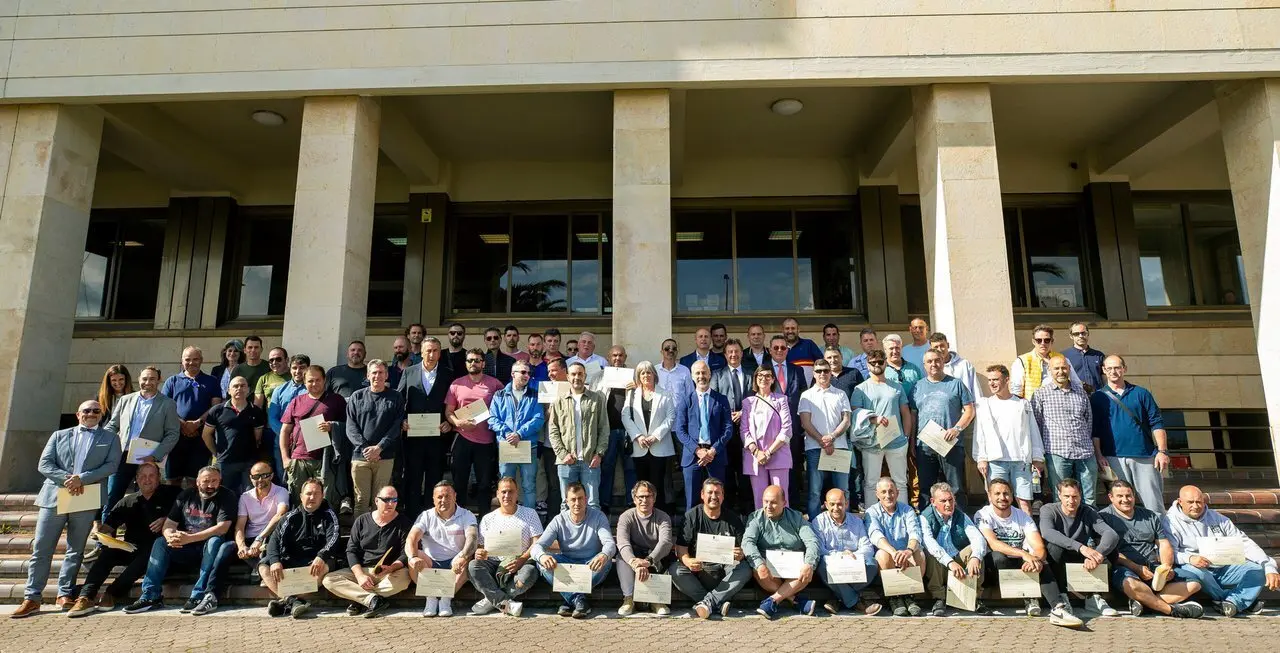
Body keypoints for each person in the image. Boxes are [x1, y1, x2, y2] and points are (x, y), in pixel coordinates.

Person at [10, 401, 121, 619]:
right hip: (55, 496)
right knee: (41, 548)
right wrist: (68, 480)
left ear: (101, 415)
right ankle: (32, 597)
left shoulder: (110, 438)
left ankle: (64, 593)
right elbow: (45, 464)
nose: (91, 414)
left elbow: (111, 466)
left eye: (96, 411)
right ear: (78, 414)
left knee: (75, 549)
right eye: (86, 411)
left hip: (85, 496)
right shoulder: (60, 435)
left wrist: (82, 479)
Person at [69, 462, 180, 617]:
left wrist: (167, 520)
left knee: (147, 553)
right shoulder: (128, 501)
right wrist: (99, 533)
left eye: (151, 476)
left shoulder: (172, 495)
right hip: (132, 548)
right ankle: (85, 597)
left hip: (161, 552)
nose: (147, 480)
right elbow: (108, 527)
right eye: (143, 476)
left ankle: (111, 594)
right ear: (136, 479)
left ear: (159, 478)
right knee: (108, 553)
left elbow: (187, 517)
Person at [124, 466, 237, 616]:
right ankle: (151, 596)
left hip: (209, 550)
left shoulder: (227, 496)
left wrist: (190, 538)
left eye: (214, 481)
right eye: (206, 481)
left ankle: (198, 596)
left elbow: (222, 528)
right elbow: (169, 524)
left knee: (215, 541)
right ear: (197, 482)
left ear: (220, 481)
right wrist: (170, 535)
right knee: (160, 542)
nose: (210, 485)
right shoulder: (186, 495)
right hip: (185, 548)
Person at [975, 478, 1082, 627]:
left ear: (1012, 496)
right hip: (994, 569)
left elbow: (1038, 545)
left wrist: (1036, 559)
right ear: (989, 496)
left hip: (1021, 563)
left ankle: (1058, 608)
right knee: (999, 557)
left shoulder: (1023, 516)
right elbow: (994, 544)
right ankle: (1029, 597)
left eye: (1006, 493)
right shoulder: (983, 515)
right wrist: (1024, 554)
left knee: (1041, 561)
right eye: (997, 493)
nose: (1002, 497)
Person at [1165, 484, 1280, 616]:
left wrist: (1268, 566)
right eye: (1190, 502)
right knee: (1198, 573)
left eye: (1199, 502)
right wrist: (1190, 558)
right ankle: (1235, 601)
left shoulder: (1217, 518)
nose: (1196, 506)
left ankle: (1232, 602)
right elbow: (1169, 552)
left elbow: (1245, 543)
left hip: (1224, 567)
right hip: (1195, 568)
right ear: (1180, 502)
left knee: (1257, 570)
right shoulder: (1170, 521)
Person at [1098, 480, 1204, 618]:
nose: (1125, 500)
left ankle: (1146, 604)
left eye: (1129, 495)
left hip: (1154, 567)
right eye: (1120, 496)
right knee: (1130, 584)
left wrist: (1166, 567)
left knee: (1195, 583)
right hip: (1125, 568)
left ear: (1134, 496)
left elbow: (1164, 544)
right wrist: (1137, 568)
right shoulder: (1103, 517)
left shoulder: (1149, 516)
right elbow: (1110, 552)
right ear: (1111, 497)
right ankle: (1171, 610)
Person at [101, 366, 180, 527]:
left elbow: (172, 433)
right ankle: (104, 542)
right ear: (139, 379)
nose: (147, 382)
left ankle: (140, 538)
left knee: (146, 498)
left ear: (159, 380)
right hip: (122, 455)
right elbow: (112, 426)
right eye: (144, 379)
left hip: (147, 458)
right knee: (112, 496)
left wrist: (155, 455)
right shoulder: (125, 400)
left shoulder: (167, 404)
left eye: (152, 379)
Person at [1091, 355, 1170, 511]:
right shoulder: (1098, 397)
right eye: (1109, 368)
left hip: (1145, 456)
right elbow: (1095, 430)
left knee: (1154, 503)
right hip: (1113, 458)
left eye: (1117, 367)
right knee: (1120, 504)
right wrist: (1099, 455)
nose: (1113, 371)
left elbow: (1156, 422)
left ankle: (1161, 534)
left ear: (1124, 369)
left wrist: (1162, 451)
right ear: (1104, 370)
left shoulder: (1141, 393)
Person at [322, 485, 412, 618]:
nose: (390, 504)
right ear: (376, 501)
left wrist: (393, 567)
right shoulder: (362, 520)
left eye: (394, 500)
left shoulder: (404, 523)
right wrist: (359, 576)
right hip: (362, 570)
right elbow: (351, 550)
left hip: (387, 573)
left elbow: (406, 553)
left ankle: (360, 599)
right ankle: (372, 600)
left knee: (405, 578)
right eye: (386, 500)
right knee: (329, 580)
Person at [533, 482, 616, 618]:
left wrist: (603, 555)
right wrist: (542, 556)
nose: (577, 503)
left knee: (606, 561)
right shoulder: (559, 520)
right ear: (566, 501)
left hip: (591, 564)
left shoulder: (598, 517)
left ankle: (570, 600)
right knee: (541, 562)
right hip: (567, 564)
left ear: (586, 498)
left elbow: (610, 544)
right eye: (573, 499)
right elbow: (537, 546)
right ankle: (579, 600)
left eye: (580, 498)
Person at [1038, 478, 1121, 617]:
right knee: (1054, 548)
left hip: (1082, 557)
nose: (1071, 501)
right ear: (1059, 495)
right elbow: (1047, 533)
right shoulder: (1048, 509)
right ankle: (1062, 595)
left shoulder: (1088, 511)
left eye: (1075, 496)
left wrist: (1096, 555)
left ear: (1080, 496)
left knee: (1111, 550)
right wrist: (1081, 547)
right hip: (1061, 556)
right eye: (1067, 496)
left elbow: (1111, 534)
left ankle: (1094, 597)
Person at [262, 478, 341, 619]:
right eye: (309, 493)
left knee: (323, 567)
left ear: (322, 496)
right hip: (293, 561)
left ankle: (285, 602)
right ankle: (293, 601)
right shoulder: (290, 517)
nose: (312, 497)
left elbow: (334, 539)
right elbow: (274, 540)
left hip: (317, 562)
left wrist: (321, 556)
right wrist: (274, 561)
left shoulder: (330, 516)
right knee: (264, 565)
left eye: (317, 494)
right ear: (301, 496)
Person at [974, 364, 1046, 514]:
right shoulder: (984, 404)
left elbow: (1033, 430)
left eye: (996, 379)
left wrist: (1037, 457)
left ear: (1006, 380)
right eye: (989, 380)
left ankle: (1029, 535)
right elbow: (979, 433)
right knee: (996, 500)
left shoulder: (1022, 403)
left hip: (1020, 460)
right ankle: (1000, 533)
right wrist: (981, 458)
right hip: (995, 461)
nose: (992, 383)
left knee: (1024, 502)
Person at [396, 336, 456, 517]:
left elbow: (454, 404)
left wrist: (449, 423)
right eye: (428, 350)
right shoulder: (409, 372)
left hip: (438, 437)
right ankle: (413, 517)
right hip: (413, 436)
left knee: (434, 478)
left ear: (440, 353)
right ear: (421, 352)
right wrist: (402, 420)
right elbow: (399, 400)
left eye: (435, 351)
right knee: (413, 478)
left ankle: (433, 516)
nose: (431, 354)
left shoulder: (448, 374)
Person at [673, 478, 749, 618]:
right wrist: (688, 561)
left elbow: (743, 549)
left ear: (723, 496)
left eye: (717, 493)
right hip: (699, 570)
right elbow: (681, 548)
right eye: (710, 492)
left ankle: (707, 602)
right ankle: (717, 603)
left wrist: (740, 554)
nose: (714, 496)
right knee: (675, 570)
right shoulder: (691, 516)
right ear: (702, 494)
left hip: (724, 571)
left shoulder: (733, 519)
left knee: (745, 569)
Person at [469, 477, 545, 616]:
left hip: (520, 561)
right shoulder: (488, 518)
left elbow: (537, 542)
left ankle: (491, 599)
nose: (507, 496)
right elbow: (481, 546)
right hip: (493, 562)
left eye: (511, 492)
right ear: (497, 494)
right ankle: (506, 604)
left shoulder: (529, 513)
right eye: (503, 492)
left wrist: (522, 560)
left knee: (529, 573)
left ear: (517, 494)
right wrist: (479, 552)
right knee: (473, 566)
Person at [1031, 355, 1101, 504]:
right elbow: (1036, 424)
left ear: (1069, 369)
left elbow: (1088, 420)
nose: (1060, 371)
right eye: (1056, 368)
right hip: (1058, 453)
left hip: (1085, 452)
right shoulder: (1040, 394)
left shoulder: (1081, 392)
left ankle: (1089, 526)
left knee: (1089, 497)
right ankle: (1064, 527)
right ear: (1050, 371)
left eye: (1064, 368)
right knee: (1061, 497)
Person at [743, 485, 820, 619]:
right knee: (756, 569)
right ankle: (795, 599)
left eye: (773, 502)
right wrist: (759, 564)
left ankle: (773, 600)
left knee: (807, 569)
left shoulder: (796, 517)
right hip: (769, 569)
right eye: (766, 501)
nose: (768, 506)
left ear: (784, 503)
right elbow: (747, 542)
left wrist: (809, 564)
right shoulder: (756, 518)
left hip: (794, 569)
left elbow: (812, 541)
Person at [912, 349, 974, 511]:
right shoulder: (918, 386)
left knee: (956, 488)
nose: (934, 364)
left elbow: (969, 410)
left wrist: (957, 428)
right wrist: (912, 442)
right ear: (924, 365)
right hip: (924, 445)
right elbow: (913, 416)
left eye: (937, 360)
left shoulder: (956, 384)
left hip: (951, 444)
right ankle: (927, 522)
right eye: (930, 361)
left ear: (943, 362)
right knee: (926, 488)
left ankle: (960, 524)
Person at [406, 480, 478, 617]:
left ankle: (446, 600)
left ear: (455, 496)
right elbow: (411, 538)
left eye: (447, 496)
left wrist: (463, 556)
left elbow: (472, 538)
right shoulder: (425, 516)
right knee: (414, 557)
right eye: (439, 497)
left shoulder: (467, 515)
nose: (443, 500)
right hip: (431, 563)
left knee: (468, 560)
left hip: (454, 563)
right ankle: (430, 599)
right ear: (433, 499)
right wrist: (413, 557)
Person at [445, 348, 504, 515]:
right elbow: (449, 412)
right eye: (470, 360)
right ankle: (460, 517)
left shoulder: (495, 384)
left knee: (485, 484)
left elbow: (503, 408)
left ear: (483, 363)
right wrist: (458, 422)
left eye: (477, 360)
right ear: (465, 363)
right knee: (459, 482)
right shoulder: (456, 384)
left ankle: (485, 518)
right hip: (462, 438)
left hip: (486, 441)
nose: (473, 363)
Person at [852, 349, 912, 506]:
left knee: (900, 482)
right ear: (867, 365)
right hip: (871, 443)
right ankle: (873, 518)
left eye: (880, 362)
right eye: (873, 363)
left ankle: (903, 514)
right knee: (871, 483)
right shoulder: (860, 388)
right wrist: (873, 418)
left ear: (886, 362)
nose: (877, 365)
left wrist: (906, 436)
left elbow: (905, 412)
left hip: (897, 441)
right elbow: (854, 413)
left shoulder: (897, 387)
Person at [346, 359, 406, 517]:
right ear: (367, 375)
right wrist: (366, 449)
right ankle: (360, 539)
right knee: (360, 500)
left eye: (381, 372)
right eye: (374, 372)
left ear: (386, 375)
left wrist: (379, 447)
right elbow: (351, 427)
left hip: (385, 457)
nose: (377, 376)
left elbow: (396, 426)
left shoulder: (396, 397)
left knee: (380, 500)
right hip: (360, 457)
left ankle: (377, 538)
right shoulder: (356, 397)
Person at [548, 361, 610, 510]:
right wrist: (563, 454)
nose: (577, 377)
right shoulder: (559, 401)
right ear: (568, 377)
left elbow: (604, 428)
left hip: (590, 461)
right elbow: (553, 430)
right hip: (567, 461)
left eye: (580, 374)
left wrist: (599, 454)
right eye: (573, 374)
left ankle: (591, 534)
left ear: (585, 376)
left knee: (593, 503)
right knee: (566, 504)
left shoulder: (597, 399)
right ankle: (567, 534)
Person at [919, 482, 988, 616]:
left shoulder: (960, 515)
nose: (948, 504)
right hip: (940, 566)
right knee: (930, 552)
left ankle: (975, 597)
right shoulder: (924, 517)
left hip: (958, 561)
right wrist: (950, 562)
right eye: (943, 501)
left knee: (975, 551)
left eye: (950, 500)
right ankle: (939, 598)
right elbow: (929, 543)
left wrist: (975, 557)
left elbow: (978, 538)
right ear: (933, 501)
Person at [280, 365, 347, 501]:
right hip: (299, 458)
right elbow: (285, 431)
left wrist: (333, 426)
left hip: (325, 459)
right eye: (310, 381)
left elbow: (349, 427)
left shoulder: (337, 400)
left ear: (324, 380)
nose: (314, 384)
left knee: (325, 499)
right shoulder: (296, 401)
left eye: (318, 380)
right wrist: (285, 459)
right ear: (304, 382)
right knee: (298, 498)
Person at [799, 359, 855, 519]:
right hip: (815, 448)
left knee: (843, 491)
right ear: (814, 374)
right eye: (818, 371)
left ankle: (847, 525)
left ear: (831, 372)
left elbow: (846, 420)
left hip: (840, 447)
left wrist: (831, 437)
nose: (822, 374)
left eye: (825, 370)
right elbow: (805, 422)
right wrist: (822, 441)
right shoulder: (806, 395)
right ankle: (815, 526)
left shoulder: (841, 393)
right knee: (815, 491)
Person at [812, 487, 880, 615]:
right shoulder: (818, 522)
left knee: (872, 564)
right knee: (821, 564)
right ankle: (855, 601)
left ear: (846, 504)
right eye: (832, 504)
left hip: (854, 564)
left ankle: (837, 597)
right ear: (826, 505)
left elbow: (867, 547)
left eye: (839, 504)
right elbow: (820, 550)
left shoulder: (857, 522)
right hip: (831, 563)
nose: (836, 508)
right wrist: (840, 556)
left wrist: (853, 555)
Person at [488, 360, 546, 510]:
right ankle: (507, 516)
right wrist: (507, 432)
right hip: (507, 445)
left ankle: (529, 519)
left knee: (529, 485)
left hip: (528, 446)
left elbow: (538, 418)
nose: (527, 375)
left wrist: (520, 433)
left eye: (528, 373)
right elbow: (492, 419)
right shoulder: (500, 395)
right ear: (513, 374)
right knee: (506, 485)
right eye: (523, 372)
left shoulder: (534, 395)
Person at [161, 346, 223, 486]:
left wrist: (197, 423)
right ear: (182, 361)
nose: (191, 362)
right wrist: (182, 424)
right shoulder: (172, 381)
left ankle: (192, 508)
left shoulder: (212, 381)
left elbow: (216, 406)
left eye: (195, 359)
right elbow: (164, 407)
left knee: (195, 480)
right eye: (187, 359)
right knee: (172, 479)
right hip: (175, 437)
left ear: (201, 360)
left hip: (201, 438)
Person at [676, 361, 734, 511]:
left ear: (709, 374)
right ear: (692, 376)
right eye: (697, 373)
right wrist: (697, 450)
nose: (701, 376)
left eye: (704, 372)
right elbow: (680, 430)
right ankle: (691, 533)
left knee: (717, 499)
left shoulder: (721, 399)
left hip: (715, 455)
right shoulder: (685, 400)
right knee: (692, 501)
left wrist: (713, 450)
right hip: (692, 456)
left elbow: (728, 429)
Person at [864, 477, 926, 617]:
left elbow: (915, 533)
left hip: (906, 555)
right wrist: (893, 552)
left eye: (891, 491)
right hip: (888, 559)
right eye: (884, 492)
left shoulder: (907, 510)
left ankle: (910, 596)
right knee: (882, 554)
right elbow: (875, 535)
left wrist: (908, 551)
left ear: (897, 493)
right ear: (877, 494)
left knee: (919, 554)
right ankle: (894, 597)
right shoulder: (871, 512)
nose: (888, 495)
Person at [621, 361, 676, 511]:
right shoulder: (632, 394)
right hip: (640, 446)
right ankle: (643, 514)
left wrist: (655, 436)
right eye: (642, 373)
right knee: (642, 485)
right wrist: (638, 436)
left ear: (654, 374)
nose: (646, 375)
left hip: (660, 446)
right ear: (638, 376)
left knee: (658, 484)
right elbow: (625, 416)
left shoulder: (665, 393)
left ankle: (659, 516)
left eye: (649, 372)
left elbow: (671, 417)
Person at [615, 481, 674, 616]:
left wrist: (648, 560)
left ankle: (657, 601)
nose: (644, 500)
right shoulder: (626, 516)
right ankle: (628, 599)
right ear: (634, 499)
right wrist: (634, 563)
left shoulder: (663, 517)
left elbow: (665, 542)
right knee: (620, 559)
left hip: (655, 558)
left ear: (654, 498)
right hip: (635, 556)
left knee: (666, 559)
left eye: (648, 496)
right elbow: (622, 542)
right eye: (640, 497)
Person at [201, 376, 266, 494]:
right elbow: (206, 435)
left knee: (250, 497)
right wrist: (216, 453)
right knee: (224, 496)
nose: (239, 389)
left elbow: (258, 437)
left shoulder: (256, 412)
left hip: (249, 463)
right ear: (228, 390)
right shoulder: (216, 410)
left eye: (242, 386)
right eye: (235, 386)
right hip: (225, 463)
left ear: (248, 389)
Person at [740, 365, 792, 510]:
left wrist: (768, 452)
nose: (764, 378)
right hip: (755, 458)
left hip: (778, 455)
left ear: (773, 379)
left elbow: (787, 430)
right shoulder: (748, 402)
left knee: (780, 497)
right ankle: (762, 530)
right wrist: (756, 452)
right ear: (755, 379)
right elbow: (744, 430)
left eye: (768, 375)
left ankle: (783, 531)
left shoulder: (781, 400)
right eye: (760, 375)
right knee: (759, 499)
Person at [326, 340, 369, 514]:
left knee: (360, 464)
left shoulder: (370, 372)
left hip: (365, 428)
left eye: (359, 350)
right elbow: (326, 397)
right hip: (341, 426)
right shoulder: (335, 372)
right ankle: (345, 498)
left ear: (364, 354)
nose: (356, 353)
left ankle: (361, 498)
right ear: (347, 353)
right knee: (342, 461)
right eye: (352, 350)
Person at [765, 335, 807, 502]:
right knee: (771, 469)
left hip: (794, 429)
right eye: (776, 348)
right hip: (769, 431)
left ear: (788, 350)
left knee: (794, 467)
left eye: (783, 347)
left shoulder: (797, 370)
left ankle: (793, 506)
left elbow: (803, 397)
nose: (780, 350)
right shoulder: (763, 370)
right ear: (769, 350)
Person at [712, 339, 754, 511]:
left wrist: (744, 413)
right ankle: (728, 510)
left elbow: (757, 400)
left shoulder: (752, 374)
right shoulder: (716, 375)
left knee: (746, 474)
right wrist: (727, 415)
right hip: (725, 432)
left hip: (748, 431)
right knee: (727, 473)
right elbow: (714, 401)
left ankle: (746, 511)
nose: (733, 355)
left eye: (736, 351)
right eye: (730, 352)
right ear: (725, 354)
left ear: (742, 353)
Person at [882, 334, 923, 505]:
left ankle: (913, 503)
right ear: (885, 350)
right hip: (888, 425)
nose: (894, 351)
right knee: (887, 467)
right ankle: (888, 502)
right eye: (890, 348)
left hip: (912, 420)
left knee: (912, 462)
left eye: (897, 347)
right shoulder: (881, 369)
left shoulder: (913, 369)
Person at [596, 345, 637, 514]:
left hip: (629, 430)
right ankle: (604, 503)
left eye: (620, 355)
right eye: (614, 355)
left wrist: (635, 390)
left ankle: (632, 502)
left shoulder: (633, 376)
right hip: (609, 430)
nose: (617, 358)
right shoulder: (601, 377)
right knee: (607, 467)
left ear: (625, 357)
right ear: (608, 357)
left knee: (630, 468)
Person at [234, 462, 289, 583]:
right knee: (225, 548)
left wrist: (259, 539)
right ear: (250, 478)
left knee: (270, 544)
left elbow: (280, 514)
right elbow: (240, 525)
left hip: (270, 535)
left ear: (272, 475)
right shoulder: (245, 497)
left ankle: (260, 568)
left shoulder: (281, 491)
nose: (260, 479)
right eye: (256, 476)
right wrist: (241, 546)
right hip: (250, 538)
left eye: (265, 475)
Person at [266, 354, 310, 486]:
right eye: (294, 368)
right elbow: (272, 417)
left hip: (306, 444)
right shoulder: (279, 390)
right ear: (290, 369)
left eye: (302, 368)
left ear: (308, 368)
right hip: (281, 443)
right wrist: (286, 435)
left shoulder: (313, 389)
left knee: (306, 480)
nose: (298, 371)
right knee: (283, 478)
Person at [535, 357, 569, 517]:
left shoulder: (574, 387)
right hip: (551, 445)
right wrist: (552, 408)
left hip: (573, 446)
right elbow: (541, 419)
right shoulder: (546, 388)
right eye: (549, 371)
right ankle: (554, 518)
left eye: (554, 370)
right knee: (554, 484)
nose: (551, 375)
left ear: (564, 370)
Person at [1011, 324, 1082, 399]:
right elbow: (1016, 391)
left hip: (1059, 404)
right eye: (1039, 340)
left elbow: (1077, 384)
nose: (1043, 343)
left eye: (1046, 340)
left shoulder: (1062, 358)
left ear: (1052, 341)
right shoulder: (1022, 361)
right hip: (1033, 406)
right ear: (1033, 342)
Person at [254, 348, 293, 483]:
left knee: (285, 467)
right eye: (271, 360)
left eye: (278, 359)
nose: (274, 362)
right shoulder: (264, 378)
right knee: (270, 466)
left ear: (286, 360)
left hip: (290, 429)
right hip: (269, 429)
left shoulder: (293, 376)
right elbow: (257, 406)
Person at [929, 333, 981, 403]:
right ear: (931, 349)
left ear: (948, 345)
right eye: (936, 347)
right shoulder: (932, 369)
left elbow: (976, 389)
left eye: (942, 346)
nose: (940, 349)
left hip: (967, 409)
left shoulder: (964, 364)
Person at [1062, 322, 1106, 393]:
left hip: (1098, 396)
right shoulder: (1064, 356)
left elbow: (1105, 379)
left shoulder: (1099, 355)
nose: (1081, 336)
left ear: (1088, 334)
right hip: (1075, 396)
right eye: (1076, 334)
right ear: (1071, 336)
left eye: (1083, 333)